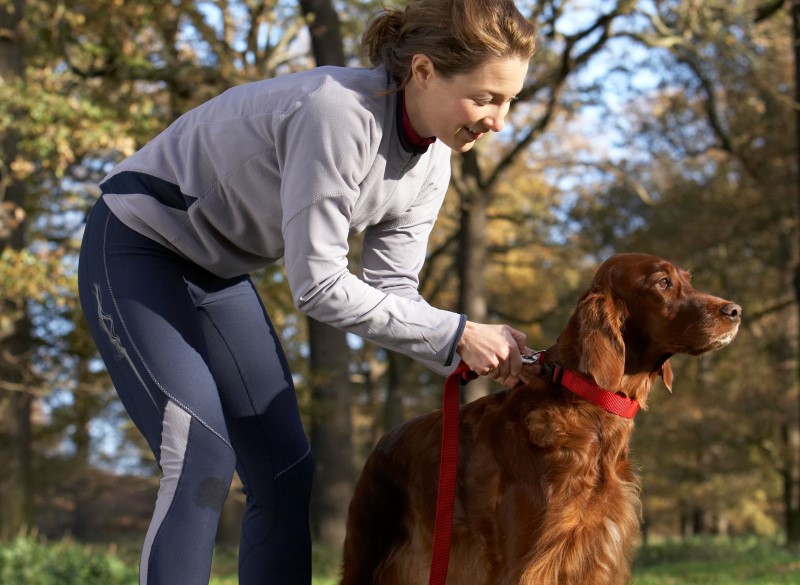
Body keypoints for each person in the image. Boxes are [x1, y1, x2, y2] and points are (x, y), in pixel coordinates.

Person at [78, 0, 538, 583]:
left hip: (217, 272)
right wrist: (459, 334)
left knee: (285, 468)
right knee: (200, 455)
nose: (498, 120)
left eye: (509, 101)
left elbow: (392, 291)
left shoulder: (433, 164)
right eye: (485, 97)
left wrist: (474, 351)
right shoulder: (339, 114)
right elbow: (319, 286)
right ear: (423, 71)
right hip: (136, 242)